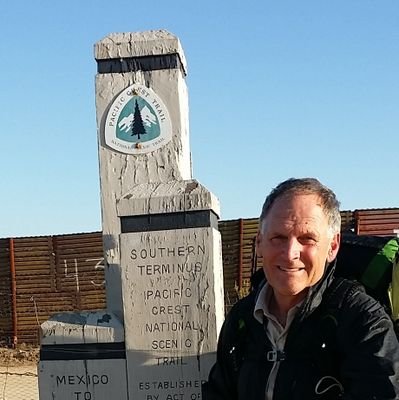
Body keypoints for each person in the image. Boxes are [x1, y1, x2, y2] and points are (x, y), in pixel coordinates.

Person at [202, 177, 399, 400]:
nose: (290, 253)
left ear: (332, 246)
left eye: (307, 239)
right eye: (278, 237)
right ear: (259, 243)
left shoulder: (362, 320)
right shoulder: (241, 320)